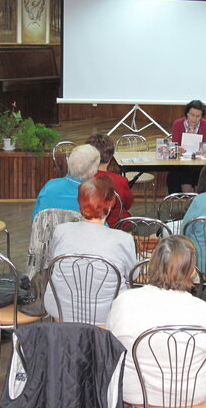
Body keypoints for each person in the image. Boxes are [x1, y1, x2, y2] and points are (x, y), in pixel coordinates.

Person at [106, 235, 206, 408]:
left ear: (151, 264)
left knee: (121, 362)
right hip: (193, 393)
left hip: (135, 390)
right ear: (191, 271)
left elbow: (111, 344)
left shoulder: (124, 301)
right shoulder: (202, 310)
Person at [44, 175, 136, 324]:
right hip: (106, 314)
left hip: (61, 310)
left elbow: (53, 262)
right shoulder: (123, 239)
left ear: (79, 203)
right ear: (111, 204)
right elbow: (133, 275)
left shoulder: (61, 231)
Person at [32, 144, 100, 218]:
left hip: (46, 228)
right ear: (93, 170)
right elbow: (101, 227)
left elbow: (35, 218)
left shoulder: (49, 186)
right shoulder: (93, 196)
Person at [86, 134, 133, 227]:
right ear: (111, 157)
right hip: (118, 226)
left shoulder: (82, 179)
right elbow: (127, 204)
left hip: (89, 226)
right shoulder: (120, 180)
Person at [168, 100, 206, 193]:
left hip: (198, 162)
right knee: (184, 174)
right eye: (192, 115)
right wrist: (178, 149)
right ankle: (190, 200)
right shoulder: (178, 124)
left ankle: (194, 200)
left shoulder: (205, 125)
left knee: (201, 173)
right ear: (186, 114)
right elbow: (173, 146)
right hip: (181, 162)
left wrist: (202, 151)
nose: (194, 119)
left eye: (198, 116)